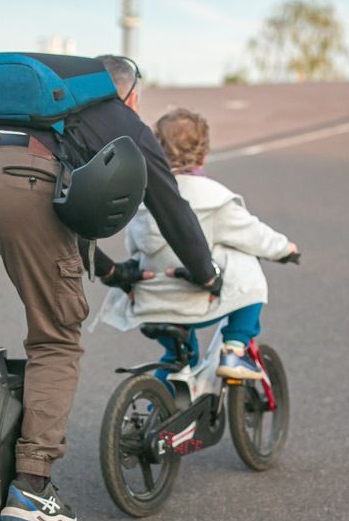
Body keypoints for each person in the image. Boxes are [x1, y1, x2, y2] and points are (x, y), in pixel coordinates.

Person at [0, 55, 221, 521]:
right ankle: (31, 486)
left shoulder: (32, 106)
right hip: (23, 179)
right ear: (127, 92)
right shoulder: (119, 117)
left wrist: (111, 272)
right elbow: (169, 206)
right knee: (55, 336)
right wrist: (205, 271)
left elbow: (68, 216)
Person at [94, 108, 298, 382]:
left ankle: (164, 410)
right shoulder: (214, 197)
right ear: (203, 154)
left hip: (154, 303)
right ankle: (235, 348)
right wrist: (285, 249)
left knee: (176, 361)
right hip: (199, 299)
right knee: (248, 266)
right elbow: (253, 235)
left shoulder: (144, 199)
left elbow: (135, 246)